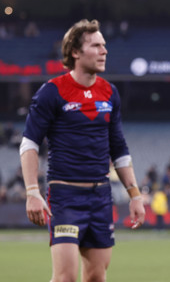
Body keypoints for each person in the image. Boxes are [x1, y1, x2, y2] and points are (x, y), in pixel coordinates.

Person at [20, 19, 145, 282]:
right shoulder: (51, 92)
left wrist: (134, 194)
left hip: (100, 197)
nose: (104, 51)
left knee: (97, 277)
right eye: (96, 45)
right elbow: (29, 144)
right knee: (66, 277)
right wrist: (32, 192)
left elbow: (119, 148)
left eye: (104, 45)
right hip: (65, 197)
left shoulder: (109, 93)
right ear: (75, 52)